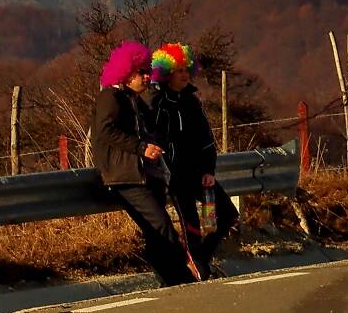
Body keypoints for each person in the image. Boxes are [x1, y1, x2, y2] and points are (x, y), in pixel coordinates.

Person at [90, 40, 197, 286]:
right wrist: (141, 148)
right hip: (127, 177)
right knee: (161, 226)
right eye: (142, 72)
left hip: (147, 174)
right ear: (126, 73)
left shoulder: (134, 99)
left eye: (148, 71)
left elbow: (155, 129)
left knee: (154, 231)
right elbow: (105, 131)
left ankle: (172, 280)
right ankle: (181, 278)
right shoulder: (110, 97)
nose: (147, 77)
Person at [147, 42, 239, 279]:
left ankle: (200, 260)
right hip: (176, 176)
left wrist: (209, 170)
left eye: (186, 69)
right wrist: (166, 170)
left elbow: (206, 140)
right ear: (166, 74)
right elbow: (155, 140)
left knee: (226, 214)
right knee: (191, 224)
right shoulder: (159, 105)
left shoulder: (192, 102)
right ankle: (197, 266)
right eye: (178, 71)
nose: (184, 75)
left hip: (200, 174)